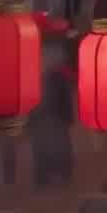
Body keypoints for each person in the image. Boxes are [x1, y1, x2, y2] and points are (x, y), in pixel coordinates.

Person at [27, 30, 75, 188]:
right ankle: (57, 174)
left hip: (48, 118)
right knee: (54, 145)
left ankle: (47, 176)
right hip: (50, 117)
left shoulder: (40, 71)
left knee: (45, 146)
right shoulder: (55, 74)